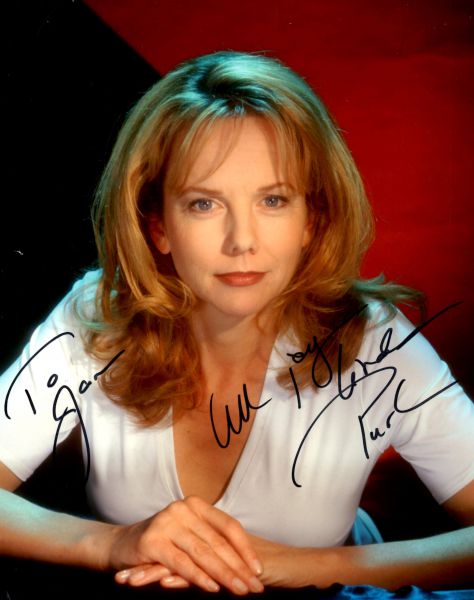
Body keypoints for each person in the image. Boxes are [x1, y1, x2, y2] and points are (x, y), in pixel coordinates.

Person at [0, 51, 473, 595]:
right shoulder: (97, 316)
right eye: (204, 204)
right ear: (157, 226)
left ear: (311, 220)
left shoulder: (373, 341)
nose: (242, 241)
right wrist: (113, 543)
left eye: (273, 199)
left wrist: (298, 566)